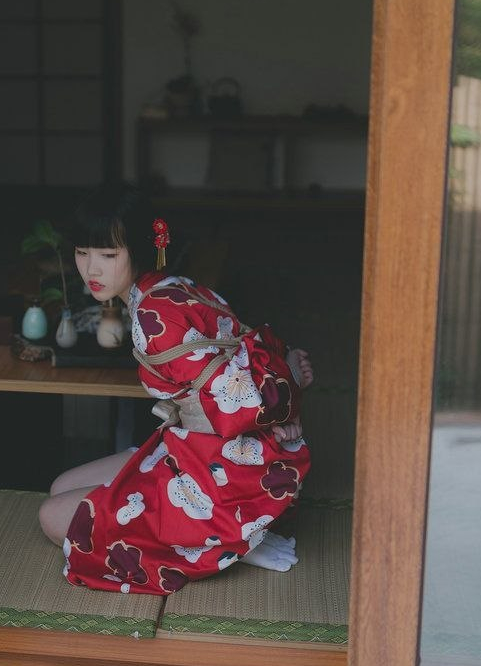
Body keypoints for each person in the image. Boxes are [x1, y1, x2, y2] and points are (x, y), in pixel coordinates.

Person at [38, 185, 313, 596]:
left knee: (51, 517)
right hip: (204, 444)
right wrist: (283, 401)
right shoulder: (172, 286)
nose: (91, 269)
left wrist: (281, 408)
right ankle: (227, 533)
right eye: (82, 252)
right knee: (61, 487)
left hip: (224, 468)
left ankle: (229, 540)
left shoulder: (153, 317)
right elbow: (242, 348)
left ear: (138, 249)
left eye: (108, 255)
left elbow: (234, 393)